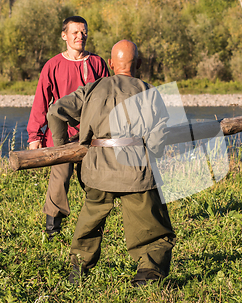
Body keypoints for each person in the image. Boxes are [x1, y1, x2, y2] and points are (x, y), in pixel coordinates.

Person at [47, 40, 176, 286]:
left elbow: (55, 112)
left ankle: (79, 270)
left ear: (110, 63)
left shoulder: (92, 89)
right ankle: (148, 274)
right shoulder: (150, 92)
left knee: (91, 217)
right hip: (136, 172)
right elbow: (158, 140)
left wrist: (64, 146)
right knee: (152, 224)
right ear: (138, 64)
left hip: (97, 170)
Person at [27, 16, 110, 240]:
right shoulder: (52, 65)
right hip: (61, 136)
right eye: (74, 32)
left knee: (93, 181)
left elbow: (107, 99)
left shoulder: (98, 63)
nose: (79, 36)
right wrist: (35, 135)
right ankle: (53, 230)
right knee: (60, 179)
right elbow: (41, 102)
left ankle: (94, 225)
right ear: (64, 36)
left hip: (91, 135)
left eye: (83, 32)